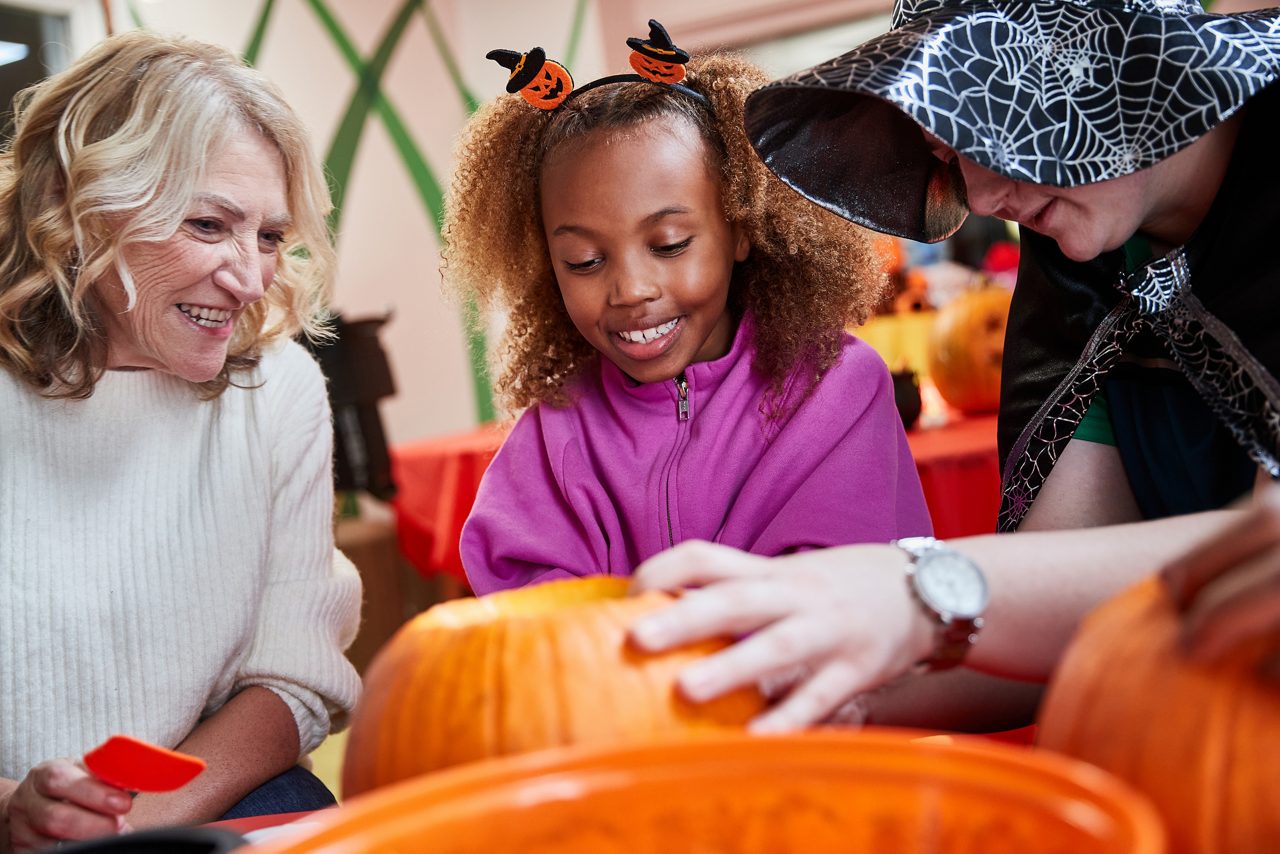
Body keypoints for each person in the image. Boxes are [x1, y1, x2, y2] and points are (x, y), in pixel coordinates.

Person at [628, 0, 1280, 733]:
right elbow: (1063, 607)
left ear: (1106, 66)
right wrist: (795, 685)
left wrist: (915, 590)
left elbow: (1265, 553)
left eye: (997, 128)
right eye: (947, 155)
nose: (976, 198)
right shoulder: (1085, 249)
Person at [0, 31, 361, 851]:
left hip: (201, 802)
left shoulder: (280, 394)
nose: (250, 277)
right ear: (79, 207)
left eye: (269, 236)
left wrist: (132, 828)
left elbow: (292, 681)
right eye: (207, 224)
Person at [446, 21, 933, 596]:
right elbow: (537, 632)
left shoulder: (837, 389)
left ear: (742, 229)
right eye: (582, 260)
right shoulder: (550, 439)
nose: (630, 289)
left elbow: (834, 600)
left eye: (671, 244)